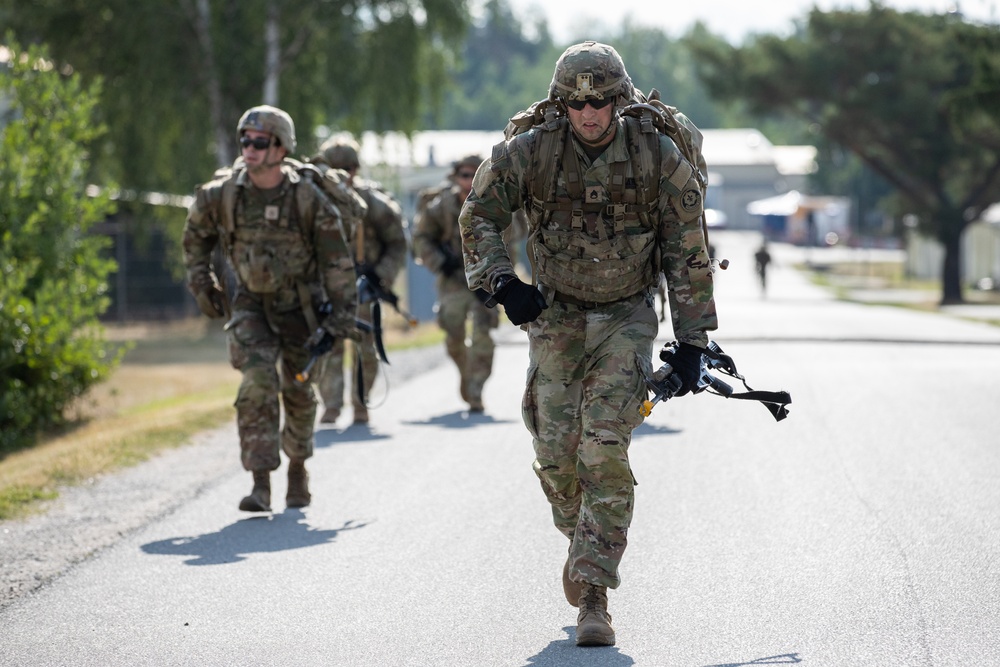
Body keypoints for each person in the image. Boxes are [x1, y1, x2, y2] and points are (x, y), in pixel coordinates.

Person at [458, 42, 719, 646]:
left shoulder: (657, 155)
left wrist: (693, 341)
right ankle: (583, 539)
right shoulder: (532, 152)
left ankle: (595, 596)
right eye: (577, 103)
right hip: (556, 314)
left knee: (603, 445)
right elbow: (478, 215)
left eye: (601, 101)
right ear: (561, 105)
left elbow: (687, 246)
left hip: (627, 314)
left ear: (620, 101)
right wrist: (501, 281)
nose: (590, 113)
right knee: (556, 453)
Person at [182, 105, 357, 512]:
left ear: (281, 147)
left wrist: (341, 316)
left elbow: (337, 260)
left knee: (297, 389)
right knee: (257, 383)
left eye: (259, 141)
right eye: (245, 140)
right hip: (249, 305)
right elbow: (195, 238)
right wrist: (201, 283)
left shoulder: (305, 196)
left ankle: (297, 468)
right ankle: (260, 483)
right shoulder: (223, 194)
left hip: (302, 309)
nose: (250, 148)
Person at [310, 134, 409, 425]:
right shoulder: (312, 201)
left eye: (347, 169)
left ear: (356, 169)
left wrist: (382, 276)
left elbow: (398, 243)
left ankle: (360, 402)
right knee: (327, 344)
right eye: (334, 169)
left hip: (363, 284)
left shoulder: (373, 203)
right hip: (325, 284)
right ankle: (331, 404)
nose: (342, 176)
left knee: (365, 346)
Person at [413, 155, 497, 413]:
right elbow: (421, 238)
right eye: (463, 174)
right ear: (455, 176)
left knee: (482, 334)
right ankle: (466, 372)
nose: (468, 180)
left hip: (487, 279)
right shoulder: (441, 206)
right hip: (454, 279)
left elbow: (517, 231)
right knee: (453, 334)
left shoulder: (496, 201)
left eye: (474, 174)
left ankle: (475, 390)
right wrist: (440, 262)